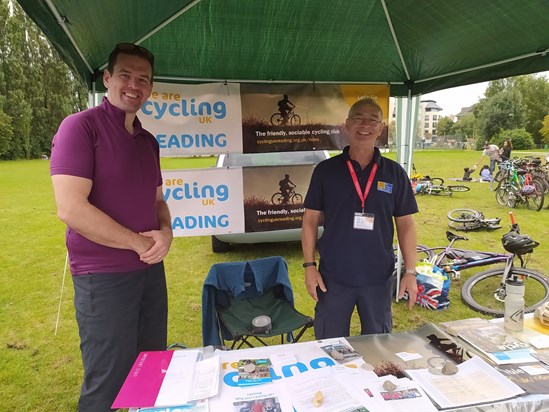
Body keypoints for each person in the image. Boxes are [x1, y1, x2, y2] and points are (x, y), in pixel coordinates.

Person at [50, 43, 173, 411]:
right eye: (125, 75)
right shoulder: (80, 127)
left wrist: (165, 232)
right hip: (101, 278)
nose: (134, 85)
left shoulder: (148, 142)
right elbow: (71, 208)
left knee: (151, 371)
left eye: (143, 80)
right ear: (107, 78)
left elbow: (157, 202)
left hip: (150, 273)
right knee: (108, 385)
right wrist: (137, 242)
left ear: (151, 88)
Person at [301, 97, 418, 340]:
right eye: (358, 118)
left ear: (380, 128)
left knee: (378, 346)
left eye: (372, 120)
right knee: (330, 346)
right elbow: (310, 220)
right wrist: (309, 267)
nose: (364, 125)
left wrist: (411, 272)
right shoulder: (326, 171)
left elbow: (406, 224)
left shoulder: (394, 173)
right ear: (346, 125)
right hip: (333, 278)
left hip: (378, 278)